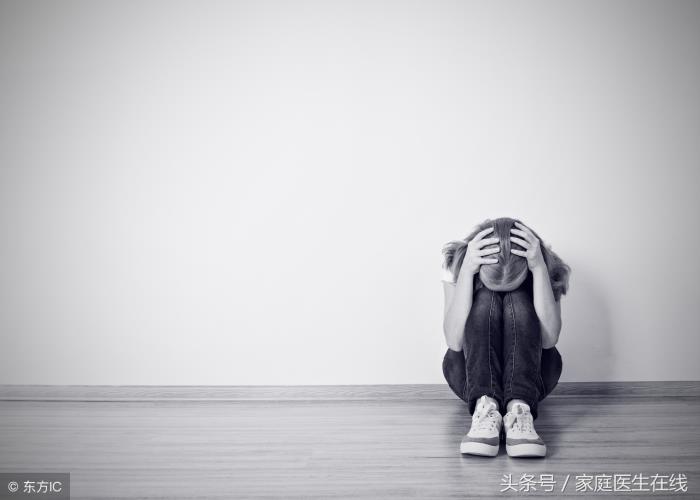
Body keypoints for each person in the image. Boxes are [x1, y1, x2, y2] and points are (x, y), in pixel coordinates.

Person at [441, 217, 570, 458]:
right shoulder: (458, 264)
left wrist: (539, 269)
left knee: (517, 299)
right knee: (485, 300)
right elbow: (454, 341)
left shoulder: (545, 267)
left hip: (533, 381)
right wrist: (467, 271)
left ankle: (520, 408)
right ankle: (486, 406)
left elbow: (549, 339)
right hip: (470, 380)